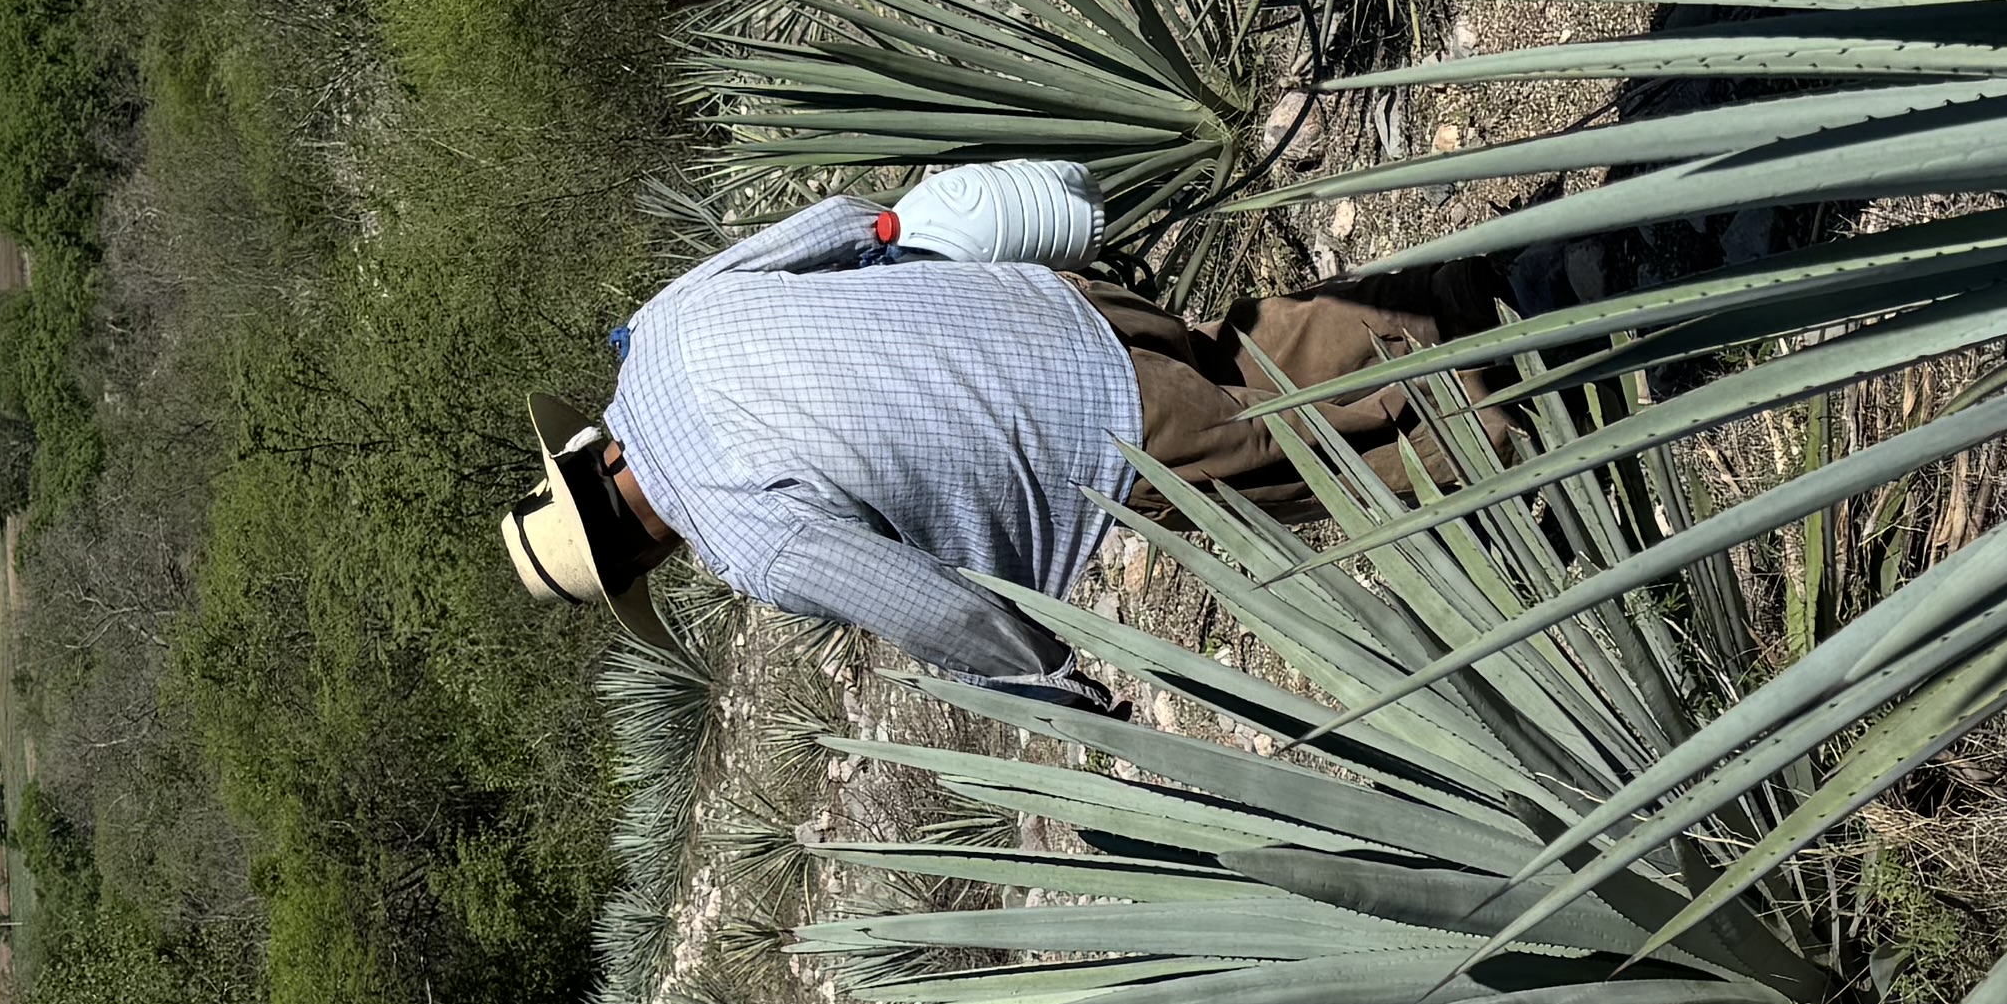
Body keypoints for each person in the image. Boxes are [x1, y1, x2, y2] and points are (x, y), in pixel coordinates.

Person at [497, 158, 1475, 700]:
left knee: (1326, 456)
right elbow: (847, 222)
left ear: (639, 567)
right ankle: (1463, 298)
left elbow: (935, 610)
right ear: (587, 451)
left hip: (1097, 436)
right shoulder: (663, 326)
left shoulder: (748, 539)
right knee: (1242, 357)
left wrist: (1049, 683)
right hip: (1047, 302)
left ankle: (1528, 403)